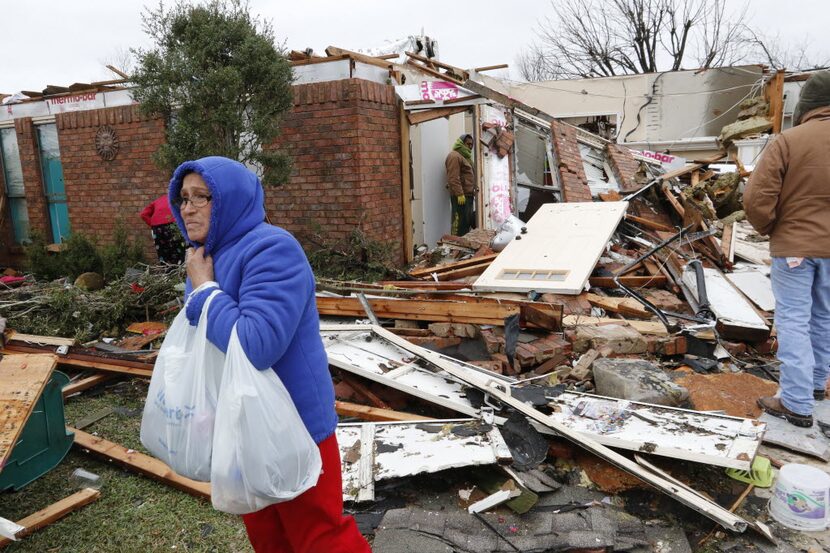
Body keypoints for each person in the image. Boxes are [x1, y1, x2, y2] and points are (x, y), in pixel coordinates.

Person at [168, 156, 371, 552]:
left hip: (292, 424)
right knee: (268, 537)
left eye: (200, 197)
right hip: (238, 425)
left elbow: (255, 345)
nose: (187, 208)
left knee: (320, 537)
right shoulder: (204, 256)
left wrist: (205, 291)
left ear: (229, 199)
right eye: (183, 198)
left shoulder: (272, 249)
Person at [744, 70, 830, 428]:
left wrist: (770, 228)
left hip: (794, 248)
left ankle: (795, 403)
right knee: (824, 317)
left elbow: (756, 198)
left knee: (794, 320)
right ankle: (814, 387)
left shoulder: (789, 140)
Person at [140, 194, 186, 264]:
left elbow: (143, 214)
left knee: (163, 252)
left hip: (157, 228)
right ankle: (180, 270)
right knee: (179, 249)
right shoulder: (177, 199)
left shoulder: (157, 201)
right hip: (172, 224)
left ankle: (166, 271)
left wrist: (152, 224)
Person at [446, 133, 476, 236]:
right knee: (458, 223)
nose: (470, 146)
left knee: (466, 223)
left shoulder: (465, 157)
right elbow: (453, 177)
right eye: (468, 144)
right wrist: (459, 194)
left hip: (467, 196)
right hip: (460, 197)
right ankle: (456, 247)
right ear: (461, 143)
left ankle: (463, 247)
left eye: (472, 144)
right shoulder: (454, 156)